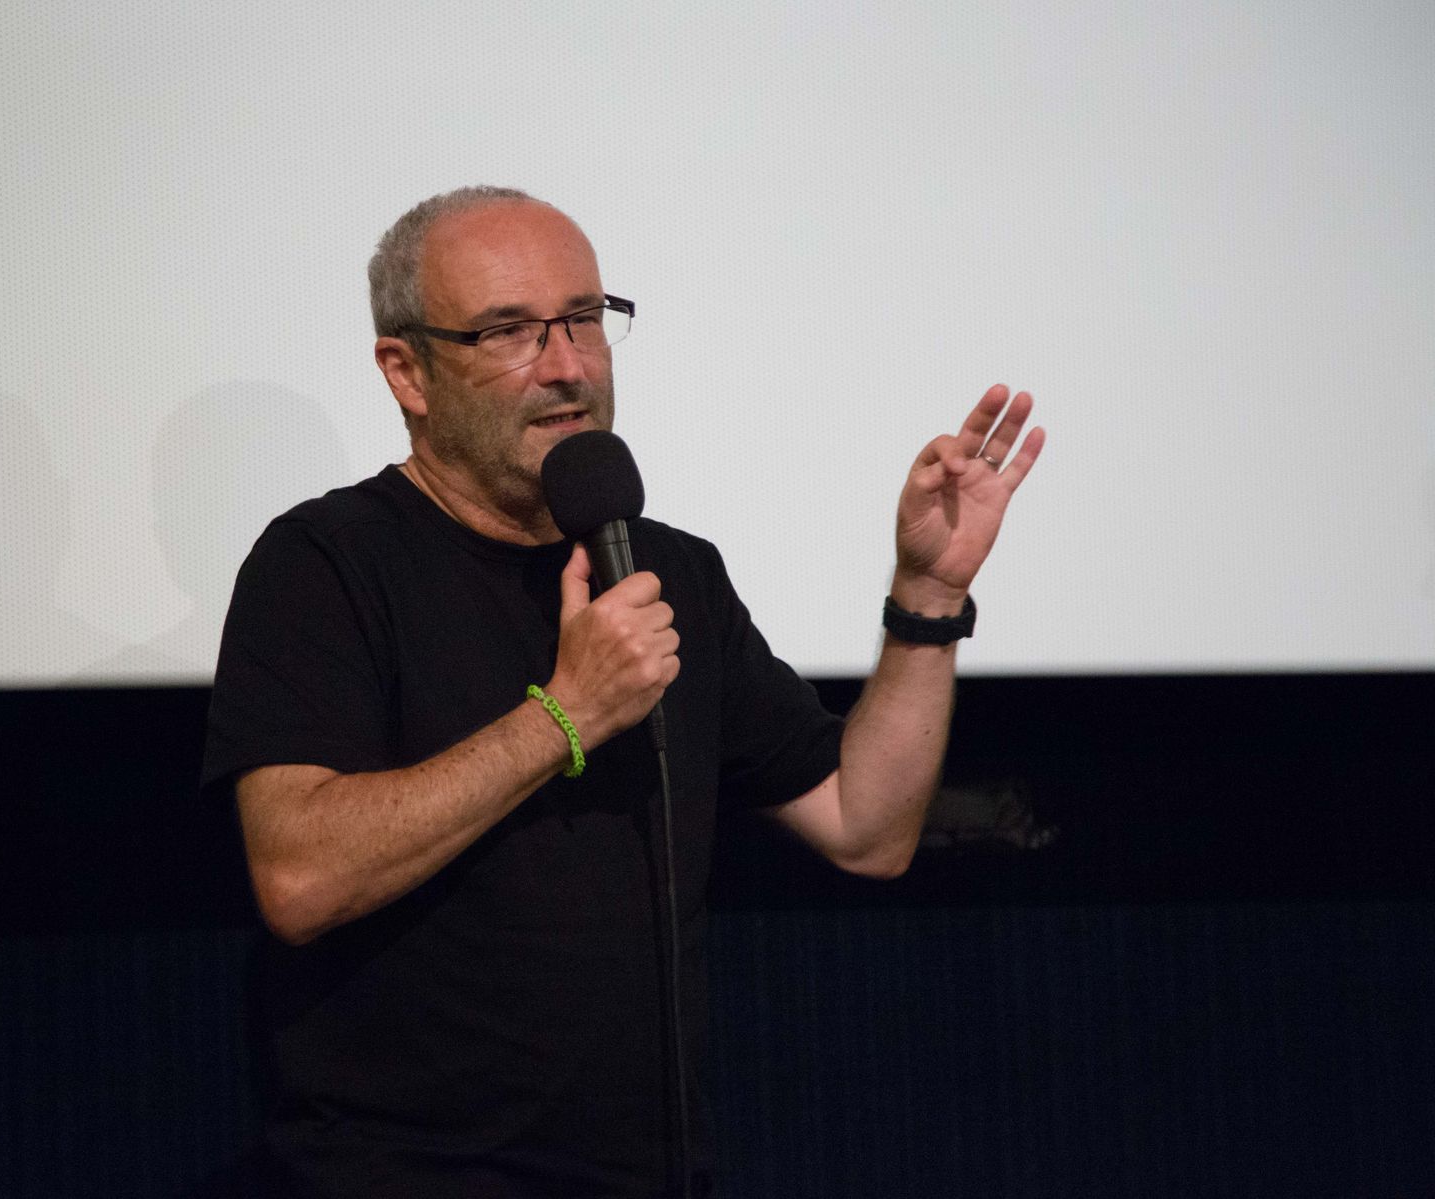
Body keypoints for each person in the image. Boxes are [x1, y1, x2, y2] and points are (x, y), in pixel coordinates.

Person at [201, 185, 1044, 1198]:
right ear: (407, 371)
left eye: (585, 319)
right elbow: (298, 876)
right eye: (509, 331)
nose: (567, 365)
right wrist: (563, 715)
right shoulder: (325, 563)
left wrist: (927, 599)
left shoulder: (666, 569)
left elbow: (866, 825)